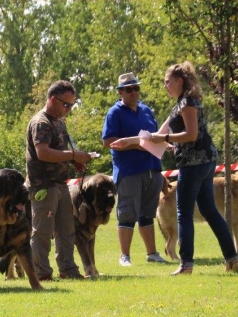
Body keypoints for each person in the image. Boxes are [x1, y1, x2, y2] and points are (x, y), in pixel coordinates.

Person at [149, 61, 238, 275]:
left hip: (195, 163)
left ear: (179, 81)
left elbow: (191, 134)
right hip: (202, 161)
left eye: (167, 81)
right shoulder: (183, 102)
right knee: (209, 210)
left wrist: (165, 138)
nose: (165, 86)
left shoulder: (188, 103)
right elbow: (189, 136)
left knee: (183, 213)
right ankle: (232, 259)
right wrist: (172, 143)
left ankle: (186, 264)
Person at [26, 80, 91, 280]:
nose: (69, 109)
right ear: (53, 99)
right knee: (43, 231)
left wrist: (75, 163)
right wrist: (73, 156)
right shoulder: (41, 122)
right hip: (43, 185)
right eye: (66, 104)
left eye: (72, 105)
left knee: (66, 230)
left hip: (61, 184)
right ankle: (41, 273)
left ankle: (68, 270)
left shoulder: (59, 122)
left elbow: (61, 150)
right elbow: (43, 152)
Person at [102, 72, 168, 267]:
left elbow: (156, 137)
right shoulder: (114, 113)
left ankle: (152, 253)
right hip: (129, 170)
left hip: (152, 169)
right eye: (129, 89)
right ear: (120, 92)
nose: (134, 92)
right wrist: (137, 145)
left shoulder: (147, 111)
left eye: (136, 88)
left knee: (148, 213)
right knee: (127, 214)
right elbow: (108, 142)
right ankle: (125, 256)